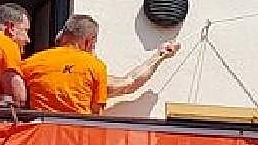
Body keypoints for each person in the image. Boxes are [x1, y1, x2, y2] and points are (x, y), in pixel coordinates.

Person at [23, 13, 181, 115]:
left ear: (62, 37)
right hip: (75, 140)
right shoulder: (94, 67)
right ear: (88, 41)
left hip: (38, 142)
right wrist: (159, 56)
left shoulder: (30, 63)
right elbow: (129, 83)